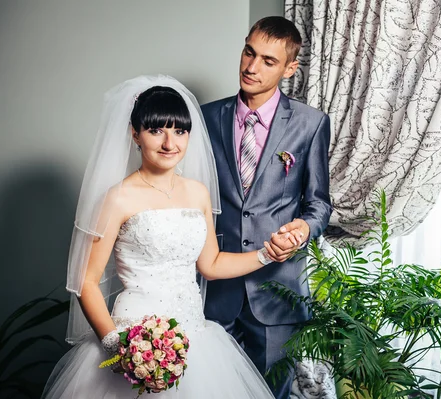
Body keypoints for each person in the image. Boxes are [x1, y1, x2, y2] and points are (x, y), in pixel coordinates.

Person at [42, 75, 283, 398]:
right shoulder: (119, 198)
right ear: (135, 134)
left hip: (195, 337)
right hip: (135, 337)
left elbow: (210, 264)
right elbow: (87, 281)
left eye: (180, 131)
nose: (171, 143)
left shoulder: (197, 193)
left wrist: (267, 254)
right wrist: (119, 350)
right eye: (157, 130)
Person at [201, 16, 332, 398]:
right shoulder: (206, 118)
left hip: (277, 292)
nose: (252, 67)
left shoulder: (310, 123)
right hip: (214, 288)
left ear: (290, 67)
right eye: (248, 52)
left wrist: (304, 230)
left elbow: (319, 203)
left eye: (268, 61)